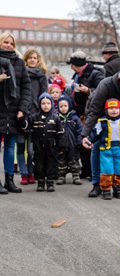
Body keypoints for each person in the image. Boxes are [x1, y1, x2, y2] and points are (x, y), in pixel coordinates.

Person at [81, 60, 120, 197]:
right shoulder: (106, 84)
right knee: (97, 149)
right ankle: (96, 185)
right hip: (100, 114)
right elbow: (94, 111)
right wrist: (85, 135)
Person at [88, 42, 120, 198]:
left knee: (98, 153)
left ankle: (99, 186)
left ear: (107, 54)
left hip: (107, 110)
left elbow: (101, 89)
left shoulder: (107, 68)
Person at [0, 32, 31, 194]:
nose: (9, 46)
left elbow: (26, 88)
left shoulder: (19, 63)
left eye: (11, 43)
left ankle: (9, 182)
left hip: (14, 112)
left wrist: (22, 110)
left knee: (11, 147)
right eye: (6, 42)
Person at [88, 99, 120, 199]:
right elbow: (95, 133)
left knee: (119, 170)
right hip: (106, 150)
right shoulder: (102, 122)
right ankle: (106, 190)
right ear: (106, 110)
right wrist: (89, 141)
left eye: (116, 108)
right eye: (111, 108)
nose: (114, 110)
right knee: (107, 170)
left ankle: (117, 189)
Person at [17, 93, 65, 192]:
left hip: (52, 145)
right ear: (39, 105)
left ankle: (50, 182)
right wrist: (21, 119)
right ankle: (41, 182)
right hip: (38, 145)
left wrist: (61, 146)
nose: (46, 105)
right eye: (43, 103)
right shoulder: (34, 117)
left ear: (51, 104)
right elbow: (26, 126)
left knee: (51, 164)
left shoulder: (56, 118)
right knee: (39, 164)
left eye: (48, 103)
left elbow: (60, 133)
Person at [70, 51, 104, 179]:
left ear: (75, 64)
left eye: (72, 64)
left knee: (90, 144)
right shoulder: (77, 75)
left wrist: (88, 90)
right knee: (82, 144)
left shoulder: (95, 74)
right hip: (80, 113)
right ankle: (86, 171)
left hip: (91, 114)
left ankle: (92, 171)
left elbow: (102, 90)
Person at [17, 48, 48, 185]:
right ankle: (23, 174)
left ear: (38, 60)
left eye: (35, 58)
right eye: (30, 58)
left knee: (31, 149)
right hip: (21, 113)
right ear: (26, 59)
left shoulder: (42, 75)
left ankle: (31, 172)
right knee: (20, 147)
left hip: (35, 115)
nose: (32, 60)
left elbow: (44, 96)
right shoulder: (21, 74)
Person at [56, 96, 83, 185]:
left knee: (74, 160)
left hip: (73, 144)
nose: (63, 108)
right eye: (61, 106)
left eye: (65, 106)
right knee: (61, 161)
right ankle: (61, 176)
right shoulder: (57, 118)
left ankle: (76, 175)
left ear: (69, 106)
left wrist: (79, 141)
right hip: (60, 145)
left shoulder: (74, 118)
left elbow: (80, 131)